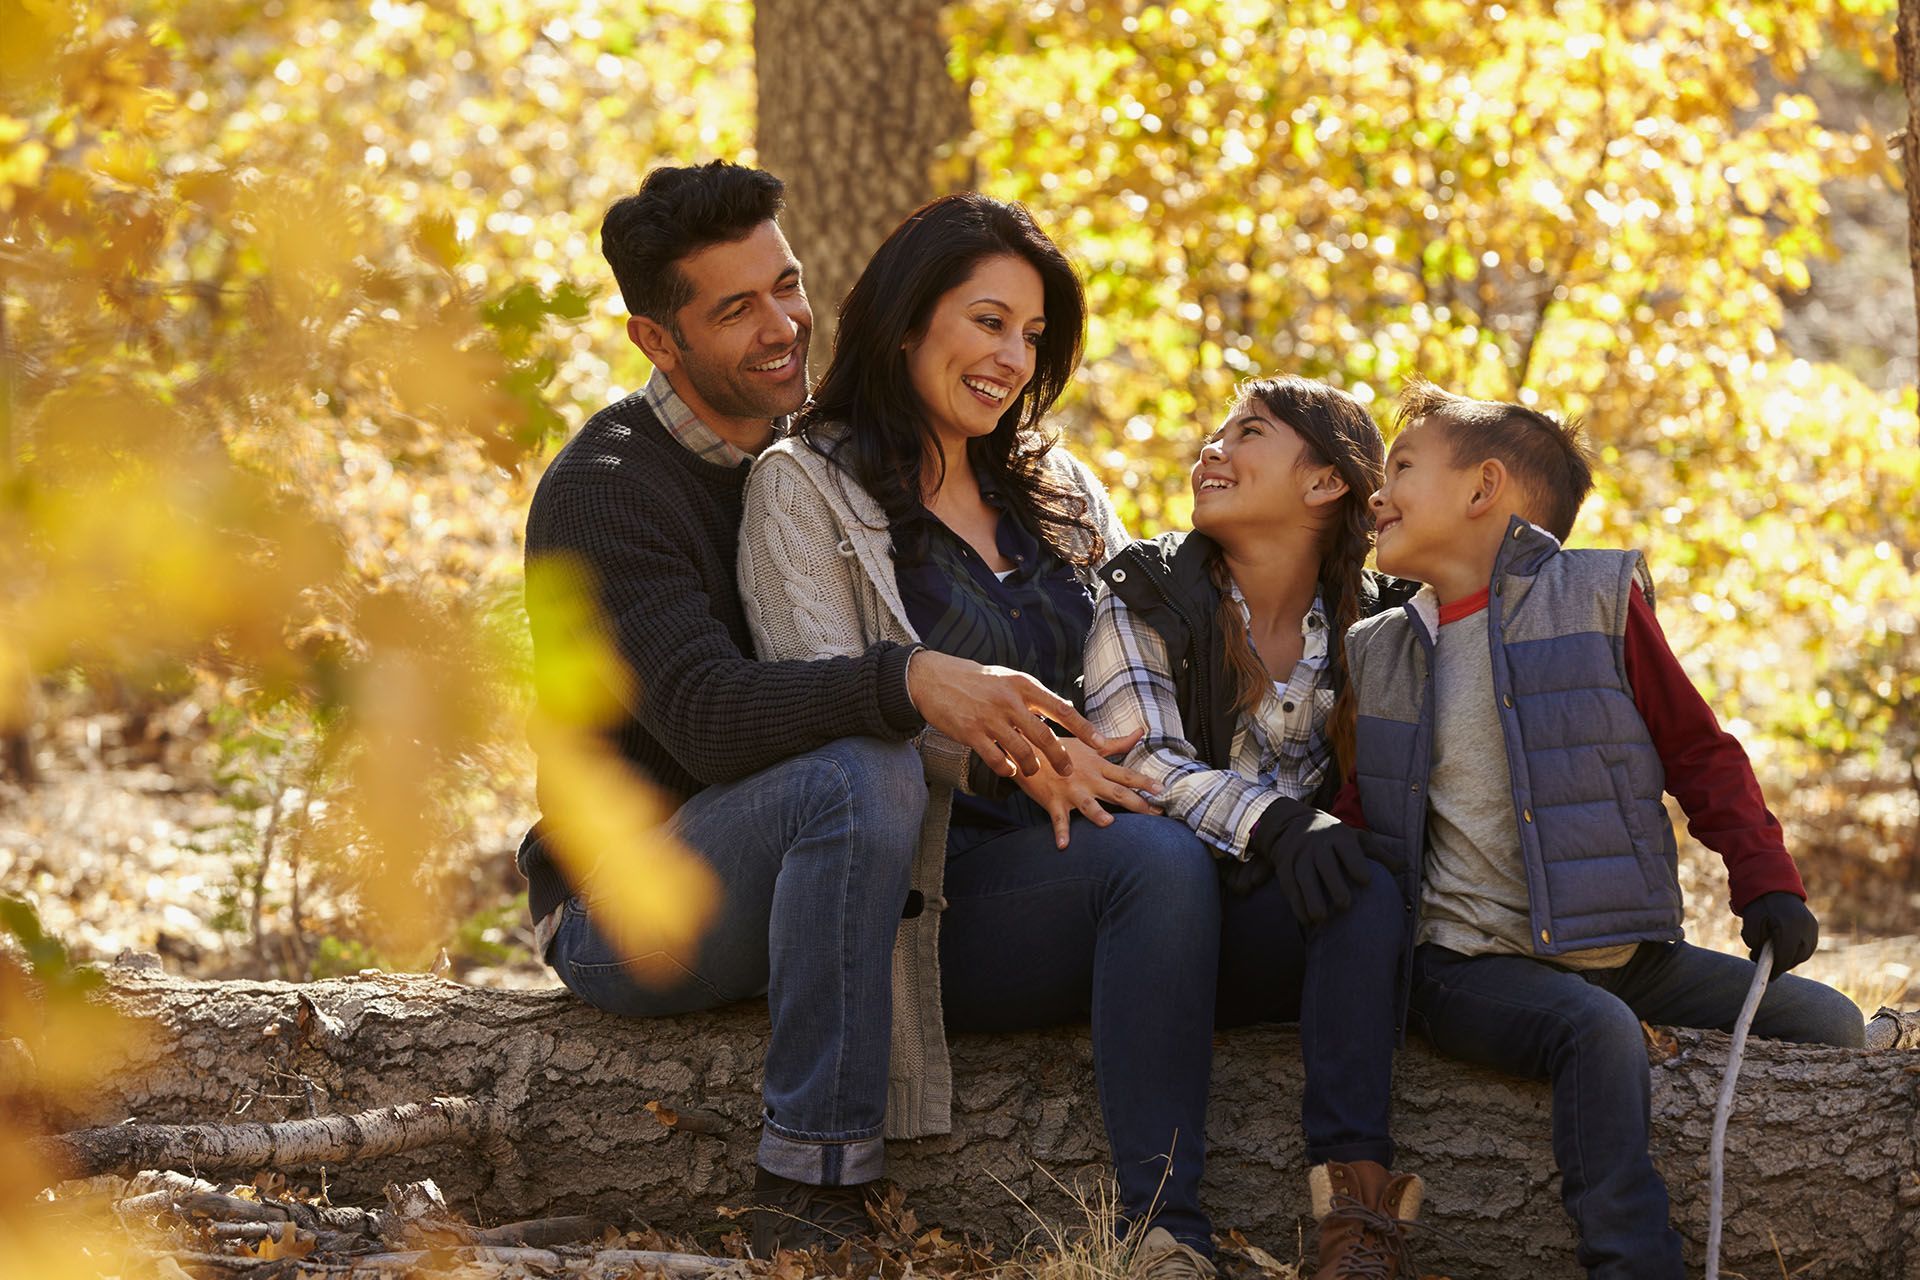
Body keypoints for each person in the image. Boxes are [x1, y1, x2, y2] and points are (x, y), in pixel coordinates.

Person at [517, 161, 1130, 1256]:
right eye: (736, 307)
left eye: (789, 285)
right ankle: (808, 1188)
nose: (784, 325)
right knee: (863, 767)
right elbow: (703, 716)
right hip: (632, 898)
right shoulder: (608, 486)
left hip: (807, 871)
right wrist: (907, 677)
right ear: (657, 341)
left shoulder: (841, 466)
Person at [737, 192, 1224, 1280]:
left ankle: (1360, 1195)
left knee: (1311, 878)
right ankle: (1167, 1232)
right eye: (988, 321)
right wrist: (1022, 753)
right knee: (1155, 866)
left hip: (1103, 825)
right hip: (934, 891)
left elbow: (1132, 665)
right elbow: (821, 704)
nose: (1013, 357)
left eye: (1034, 335)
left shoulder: (1055, 484)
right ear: (909, 319)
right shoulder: (804, 484)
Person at [1341, 379, 1865, 1278]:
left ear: (1483, 489)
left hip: (1622, 950)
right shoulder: (1379, 648)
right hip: (1466, 964)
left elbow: (1699, 751)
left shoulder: (1597, 600)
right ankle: (1630, 1259)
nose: (1376, 493)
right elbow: (1362, 812)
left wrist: (1766, 879)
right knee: (1594, 1032)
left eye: (1400, 468)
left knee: (1830, 1021)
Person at [1084, 376, 1427, 1280]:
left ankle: (1357, 1226)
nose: (1212, 449)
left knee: (1368, 887)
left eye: (1249, 433)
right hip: (1141, 928)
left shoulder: (1383, 620)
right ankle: (1165, 1234)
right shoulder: (1144, 591)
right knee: (1166, 865)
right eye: (1216, 432)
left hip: (1270, 934)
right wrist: (1275, 822)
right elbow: (1139, 760)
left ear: (1323, 484)